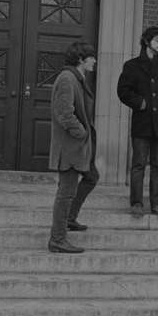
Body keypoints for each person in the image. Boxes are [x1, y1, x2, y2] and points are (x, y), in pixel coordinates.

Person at [116, 26, 158, 218]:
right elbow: (123, 91)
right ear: (147, 41)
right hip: (143, 122)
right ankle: (137, 203)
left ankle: (157, 203)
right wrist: (140, 102)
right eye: (157, 40)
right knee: (138, 165)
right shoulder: (132, 66)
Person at [47, 42, 99, 254]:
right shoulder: (68, 79)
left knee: (91, 177)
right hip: (70, 147)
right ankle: (57, 239)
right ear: (80, 59)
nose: (94, 60)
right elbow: (64, 113)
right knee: (66, 191)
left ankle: (69, 218)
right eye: (91, 57)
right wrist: (82, 132)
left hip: (78, 147)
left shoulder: (75, 78)